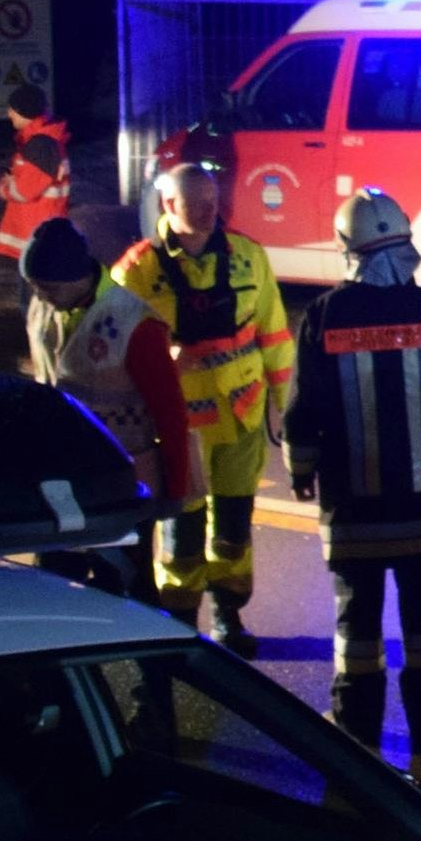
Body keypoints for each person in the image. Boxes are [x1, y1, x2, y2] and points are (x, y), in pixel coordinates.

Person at [283, 190, 421, 751]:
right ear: (406, 243)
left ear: (346, 247)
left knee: (357, 622)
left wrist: (301, 469)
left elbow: (302, 408)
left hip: (354, 511)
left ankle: (357, 728)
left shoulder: (324, 316)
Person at [112, 135, 296, 655]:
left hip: (241, 414)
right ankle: (179, 625)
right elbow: (113, 349)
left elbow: (275, 336)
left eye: (213, 200)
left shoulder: (248, 257)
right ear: (168, 204)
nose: (210, 211)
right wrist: (164, 356)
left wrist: (285, 406)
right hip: (179, 425)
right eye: (197, 203)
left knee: (234, 527)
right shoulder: (136, 271)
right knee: (182, 533)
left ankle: (229, 616)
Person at [20, 215, 187, 602]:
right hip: (63, 479)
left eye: (46, 288)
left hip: (122, 480)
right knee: (53, 587)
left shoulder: (133, 322)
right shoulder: (46, 307)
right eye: (34, 287)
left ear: (74, 279)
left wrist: (175, 488)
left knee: (127, 588)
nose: (40, 297)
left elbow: (170, 412)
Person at [0, 86, 71, 269]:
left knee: (35, 283)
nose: (9, 114)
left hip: (34, 233)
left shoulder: (40, 145)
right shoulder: (40, 142)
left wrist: (1, 186)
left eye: (12, 109)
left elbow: (24, 190)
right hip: (38, 231)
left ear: (23, 111)